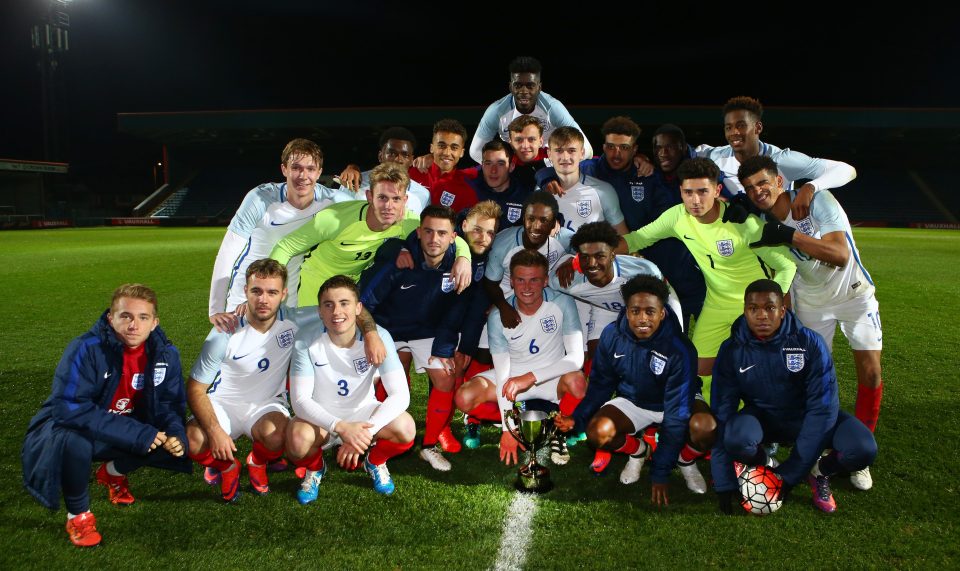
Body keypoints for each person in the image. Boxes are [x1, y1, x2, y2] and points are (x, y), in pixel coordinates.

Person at [739, 155, 883, 490]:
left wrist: (789, 235)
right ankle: (791, 436)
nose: (757, 191)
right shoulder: (760, 222)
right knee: (808, 375)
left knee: (872, 371)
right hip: (811, 303)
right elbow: (779, 268)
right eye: (749, 188)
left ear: (778, 181)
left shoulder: (817, 200)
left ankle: (856, 452)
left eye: (763, 182)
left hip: (853, 294)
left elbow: (840, 254)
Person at [22, 284, 190, 547]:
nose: (134, 325)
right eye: (126, 316)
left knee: (179, 439)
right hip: (74, 430)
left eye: (142, 318)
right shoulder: (86, 347)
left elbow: (169, 404)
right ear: (111, 318)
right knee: (73, 440)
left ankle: (112, 473)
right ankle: (78, 515)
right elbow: (69, 408)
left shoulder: (166, 355)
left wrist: (176, 435)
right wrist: (137, 433)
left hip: (122, 429)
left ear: (154, 323)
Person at [617, 157, 797, 397]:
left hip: (751, 306)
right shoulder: (677, 217)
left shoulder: (744, 224)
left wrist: (769, 305)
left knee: (755, 370)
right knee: (699, 369)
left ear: (717, 190)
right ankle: (713, 418)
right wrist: (598, 250)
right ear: (680, 191)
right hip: (715, 304)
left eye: (703, 191)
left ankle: (751, 420)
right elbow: (637, 239)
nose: (695, 200)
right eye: (688, 192)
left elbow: (786, 265)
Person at [711, 280, 877, 514]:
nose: (761, 316)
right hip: (764, 418)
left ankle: (819, 471)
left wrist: (790, 475)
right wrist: (724, 481)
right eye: (753, 308)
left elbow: (822, 410)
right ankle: (766, 465)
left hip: (807, 417)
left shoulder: (810, 343)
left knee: (863, 449)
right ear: (745, 311)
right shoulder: (732, 349)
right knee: (735, 437)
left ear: (782, 310)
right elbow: (723, 411)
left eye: (769, 308)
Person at [555, 275, 710, 503]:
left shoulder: (680, 348)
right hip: (634, 400)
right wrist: (577, 419)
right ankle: (638, 451)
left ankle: (685, 459)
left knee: (706, 428)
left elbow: (676, 415)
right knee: (597, 432)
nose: (642, 319)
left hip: (675, 404)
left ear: (662, 313)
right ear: (626, 311)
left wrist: (660, 472)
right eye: (635, 311)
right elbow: (600, 385)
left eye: (650, 311)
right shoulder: (611, 335)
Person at [187, 259, 317, 502]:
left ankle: (257, 462)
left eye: (272, 292)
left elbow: (346, 310)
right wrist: (215, 431)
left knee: (277, 437)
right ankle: (226, 466)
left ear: (284, 294)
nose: (263, 299)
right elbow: (196, 388)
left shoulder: (293, 320)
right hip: (222, 403)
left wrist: (372, 333)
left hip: (265, 404)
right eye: (256, 291)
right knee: (194, 441)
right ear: (245, 291)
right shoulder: (224, 331)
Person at [358, 206, 471, 472]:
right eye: (428, 231)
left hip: (428, 330)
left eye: (442, 233)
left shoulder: (459, 265)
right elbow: (365, 303)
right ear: (418, 232)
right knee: (390, 380)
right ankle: (377, 435)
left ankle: (430, 444)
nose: (434, 239)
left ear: (453, 237)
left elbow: (455, 312)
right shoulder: (399, 260)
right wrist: (371, 335)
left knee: (445, 376)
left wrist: (443, 348)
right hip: (390, 329)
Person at [270, 162, 473, 308]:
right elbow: (285, 247)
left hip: (354, 288)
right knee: (311, 349)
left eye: (395, 199)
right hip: (318, 283)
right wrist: (272, 287)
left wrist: (463, 258)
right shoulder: (334, 220)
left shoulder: (408, 222)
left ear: (405, 200)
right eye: (382, 198)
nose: (389, 206)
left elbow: (447, 234)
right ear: (369, 197)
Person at [285, 275, 416, 501]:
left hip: (362, 413)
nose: (337, 312)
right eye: (329, 305)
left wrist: (366, 433)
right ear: (320, 311)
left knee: (406, 428)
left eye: (344, 303)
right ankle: (315, 469)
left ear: (358, 308)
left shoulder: (379, 336)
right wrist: (342, 428)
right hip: (321, 417)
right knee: (296, 440)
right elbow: (300, 401)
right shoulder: (306, 339)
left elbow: (401, 396)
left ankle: (375, 462)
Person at [457, 250, 586, 465]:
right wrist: (510, 430)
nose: (527, 287)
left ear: (545, 281)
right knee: (464, 397)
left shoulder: (562, 302)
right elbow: (503, 374)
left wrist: (530, 377)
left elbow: (575, 359)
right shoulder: (499, 317)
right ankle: (515, 419)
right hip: (513, 378)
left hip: (551, 377)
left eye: (534, 280)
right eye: (520, 280)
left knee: (578, 382)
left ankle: (557, 428)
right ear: (512, 281)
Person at [209, 138, 351, 332]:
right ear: (284, 169)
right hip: (246, 295)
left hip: (289, 300)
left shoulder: (332, 200)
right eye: (296, 168)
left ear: (319, 172)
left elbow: (374, 201)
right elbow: (228, 251)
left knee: (281, 360)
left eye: (310, 169)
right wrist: (215, 308)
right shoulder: (261, 198)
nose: (303, 175)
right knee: (237, 359)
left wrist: (354, 168)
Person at [696, 96, 857, 219]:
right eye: (728, 128)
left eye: (741, 125)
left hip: (778, 238)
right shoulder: (714, 157)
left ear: (757, 127)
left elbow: (846, 170)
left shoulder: (781, 160)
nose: (734, 133)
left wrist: (810, 187)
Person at [549, 222, 679, 358]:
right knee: (597, 358)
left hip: (649, 308)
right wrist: (570, 260)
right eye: (585, 257)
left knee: (662, 354)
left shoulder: (643, 272)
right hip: (604, 308)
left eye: (600, 256)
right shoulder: (563, 280)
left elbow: (665, 301)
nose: (592, 264)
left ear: (612, 255)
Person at [469, 56, 593, 163]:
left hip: (548, 158)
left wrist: (557, 166)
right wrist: (503, 167)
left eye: (530, 85)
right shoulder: (496, 111)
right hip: (513, 159)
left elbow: (587, 150)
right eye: (518, 85)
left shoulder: (553, 108)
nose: (524, 91)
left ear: (539, 87)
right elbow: (475, 151)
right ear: (511, 87)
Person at [545, 127, 628, 235]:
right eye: (559, 150)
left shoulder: (603, 191)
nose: (565, 157)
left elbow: (624, 239)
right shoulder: (540, 193)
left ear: (582, 153)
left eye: (571, 151)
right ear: (549, 154)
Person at [335, 126, 432, 214]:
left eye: (405, 155)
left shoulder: (423, 195)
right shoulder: (354, 182)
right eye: (392, 153)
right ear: (380, 156)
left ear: (411, 160)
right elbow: (340, 216)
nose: (398, 159)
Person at [408, 119, 478, 213]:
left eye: (454, 148)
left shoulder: (466, 189)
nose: (447, 153)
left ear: (461, 152)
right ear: (431, 148)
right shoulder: (412, 172)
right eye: (441, 146)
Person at [465, 139, 533, 230]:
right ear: (482, 165)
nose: (493, 170)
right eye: (488, 163)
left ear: (511, 167)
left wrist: (557, 220)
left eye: (500, 164)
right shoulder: (469, 187)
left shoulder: (525, 196)